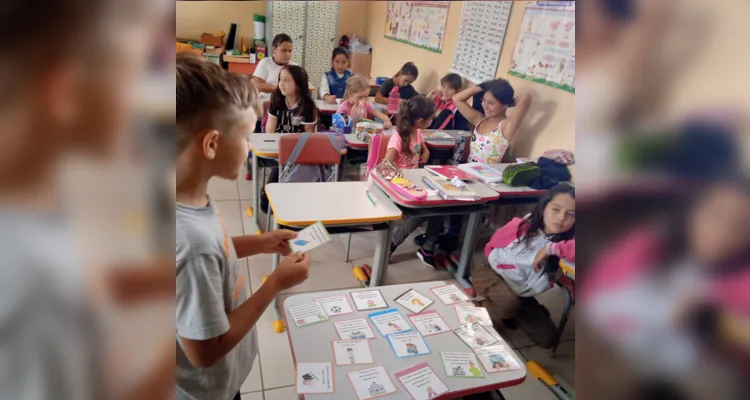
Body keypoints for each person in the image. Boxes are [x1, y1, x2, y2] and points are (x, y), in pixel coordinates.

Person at [176, 54, 311, 400]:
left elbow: (216, 250)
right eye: (246, 137)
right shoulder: (192, 242)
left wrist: (262, 241)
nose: (251, 147)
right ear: (212, 144)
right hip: (208, 391)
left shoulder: (188, 201)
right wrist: (275, 284)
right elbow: (205, 350)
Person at [472, 183, 575, 349]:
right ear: (543, 208)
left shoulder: (567, 243)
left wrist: (551, 249)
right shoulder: (521, 227)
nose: (561, 218)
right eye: (556, 209)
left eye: (571, 214)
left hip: (522, 292)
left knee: (548, 339)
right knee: (507, 303)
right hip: (491, 272)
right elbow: (491, 247)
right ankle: (479, 307)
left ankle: (511, 309)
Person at [385, 96, 448, 268]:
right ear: (420, 120)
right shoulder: (398, 137)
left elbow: (423, 148)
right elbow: (386, 165)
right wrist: (403, 178)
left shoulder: (418, 132)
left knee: (442, 204)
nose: (432, 120)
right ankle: (392, 242)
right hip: (397, 186)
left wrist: (425, 153)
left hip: (414, 182)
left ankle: (427, 248)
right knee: (425, 211)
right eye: (431, 118)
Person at [453, 78, 531, 164]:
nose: (485, 106)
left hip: (487, 176)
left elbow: (526, 97)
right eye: (483, 100)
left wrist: (509, 102)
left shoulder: (506, 126)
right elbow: (456, 98)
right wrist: (484, 86)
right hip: (467, 172)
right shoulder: (479, 120)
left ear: (504, 105)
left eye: (490, 103)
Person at [266, 65, 318, 134]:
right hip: (277, 142)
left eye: (286, 80)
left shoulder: (308, 106)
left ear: (298, 85)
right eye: (280, 79)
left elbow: (308, 135)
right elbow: (270, 131)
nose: (281, 83)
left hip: (298, 143)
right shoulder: (276, 99)